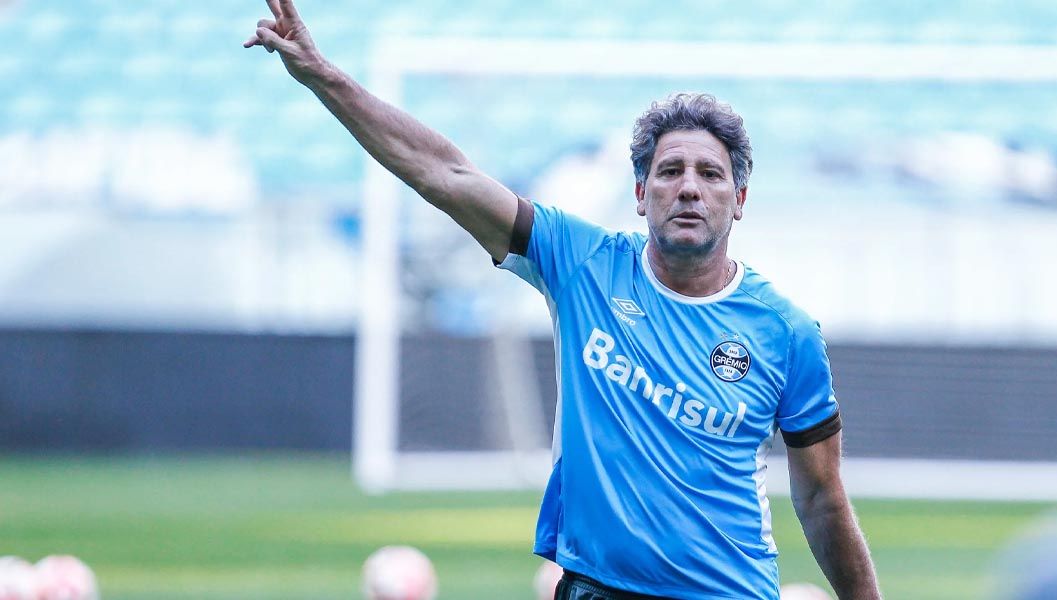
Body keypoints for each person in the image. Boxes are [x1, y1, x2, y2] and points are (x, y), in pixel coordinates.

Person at [245, 2, 882, 598]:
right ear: (640, 193)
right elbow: (447, 173)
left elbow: (823, 498)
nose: (689, 188)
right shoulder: (583, 263)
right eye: (670, 171)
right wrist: (323, 78)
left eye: (711, 175)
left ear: (738, 201)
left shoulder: (786, 331)